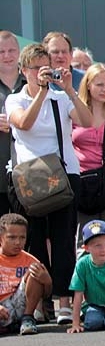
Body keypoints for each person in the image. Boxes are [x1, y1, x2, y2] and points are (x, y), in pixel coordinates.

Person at [5, 43, 89, 326]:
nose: (42, 73)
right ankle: (38, 302)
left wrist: (68, 89)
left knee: (65, 240)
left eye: (46, 68)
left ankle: (64, 301)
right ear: (23, 71)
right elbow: (24, 124)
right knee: (35, 240)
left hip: (63, 176)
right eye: (36, 68)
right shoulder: (15, 100)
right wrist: (41, 91)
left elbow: (88, 121)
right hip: (30, 180)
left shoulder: (60, 97)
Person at [72, 63, 105, 237]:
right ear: (88, 84)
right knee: (85, 238)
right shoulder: (73, 110)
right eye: (99, 85)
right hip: (83, 180)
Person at [0, 213, 52, 336]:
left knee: (35, 271)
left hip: (21, 305)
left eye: (22, 237)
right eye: (12, 238)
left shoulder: (30, 260)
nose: (18, 242)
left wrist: (47, 281)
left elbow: (46, 294)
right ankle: (9, 326)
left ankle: (27, 319)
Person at [0, 31, 25, 217]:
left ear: (19, 52)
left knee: (28, 235)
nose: (7, 56)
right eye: (1, 52)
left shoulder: (31, 82)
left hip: (28, 174)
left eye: (11, 50)